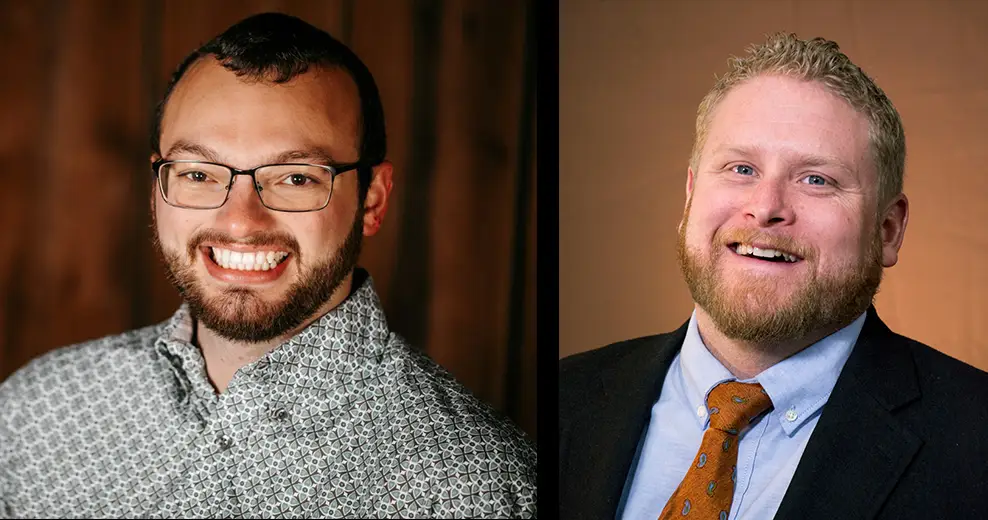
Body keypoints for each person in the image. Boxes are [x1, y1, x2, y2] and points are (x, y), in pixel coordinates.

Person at [0, 12, 536, 519]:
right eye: (199, 173)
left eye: (296, 177)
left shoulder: (476, 487)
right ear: (158, 187)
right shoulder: (35, 411)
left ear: (372, 199)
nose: (240, 221)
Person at [559, 33, 988, 519]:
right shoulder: (559, 400)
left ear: (888, 230)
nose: (765, 208)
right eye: (741, 168)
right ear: (690, 198)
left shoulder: (975, 443)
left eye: (816, 179)